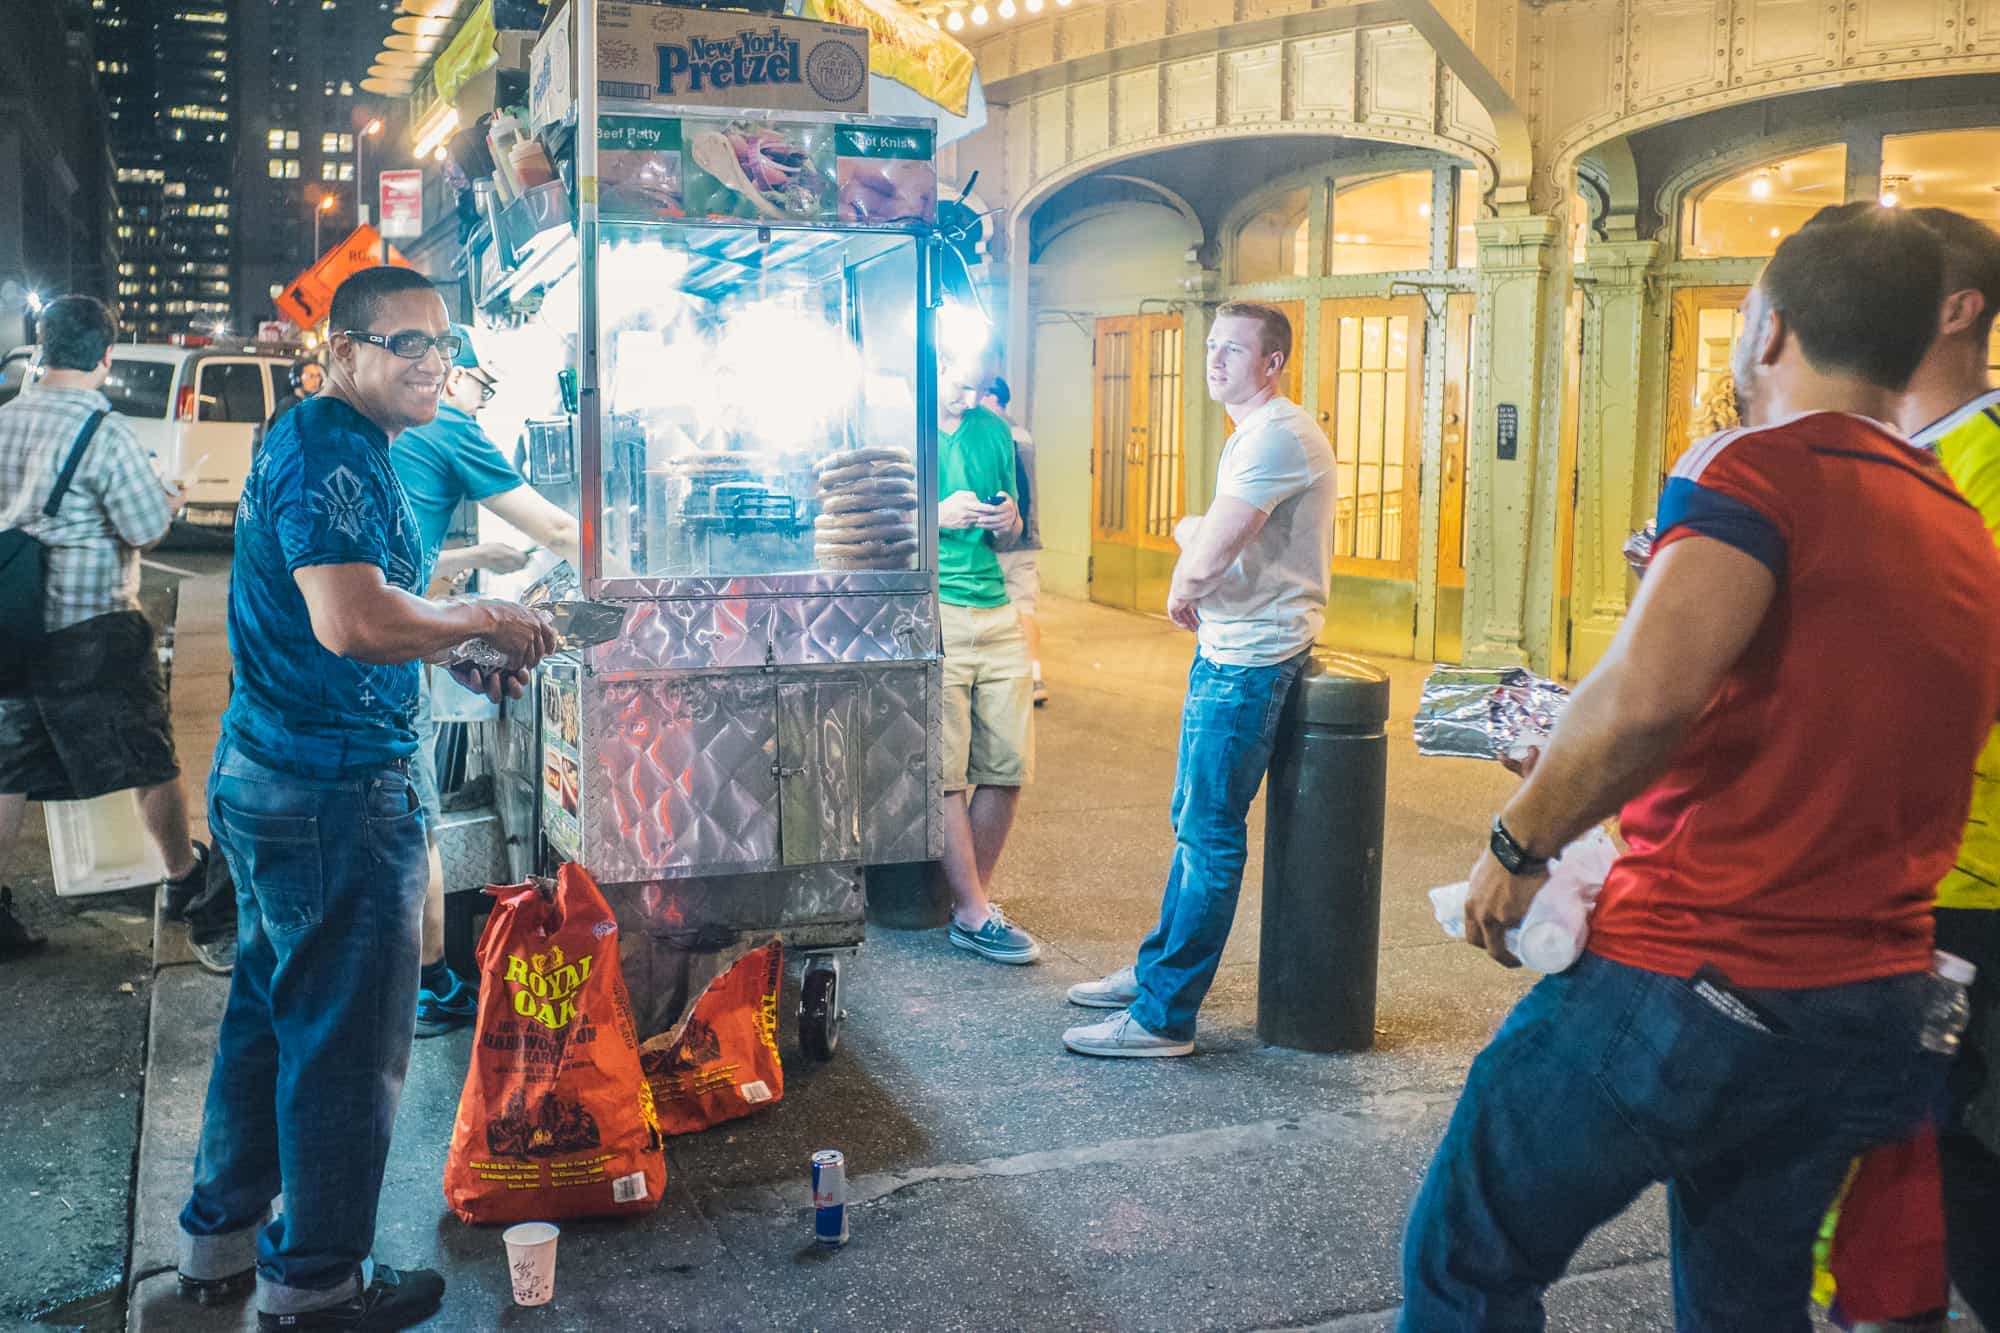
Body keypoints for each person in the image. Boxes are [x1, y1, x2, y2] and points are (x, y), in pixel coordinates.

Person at [1399, 208, 2000, 1330]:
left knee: (1467, 1254)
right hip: (1865, 1002)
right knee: (1744, 1304)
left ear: (1766, 328)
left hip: (1694, 977)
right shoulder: (1956, 515)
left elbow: (1645, 695)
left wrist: (1514, 842)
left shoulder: (1754, 463)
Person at [174, 267, 555, 1331]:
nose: (431, 364)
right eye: (406, 345)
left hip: (279, 774)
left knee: (268, 1019)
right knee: (345, 1048)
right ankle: (317, 1283)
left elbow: (351, 622)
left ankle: (220, 1242)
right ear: (342, 351)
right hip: (331, 792)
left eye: (443, 345)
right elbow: (351, 619)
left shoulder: (338, 442)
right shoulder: (332, 446)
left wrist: (452, 651)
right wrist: (475, 618)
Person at [1063, 302, 1335, 1058]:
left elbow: (1209, 553)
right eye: (1212, 346)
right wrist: (1196, 540)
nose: (1214, 360)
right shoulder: (1254, 434)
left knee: (1210, 834)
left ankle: (1163, 1016)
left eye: (1234, 349)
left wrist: (1186, 575)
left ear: (1272, 361)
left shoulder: (1277, 436)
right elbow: (1210, 535)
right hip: (1231, 648)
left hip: (1250, 659)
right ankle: (1156, 973)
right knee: (1193, 821)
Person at [0, 295, 226, 971]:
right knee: (146, 752)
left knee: (8, 764)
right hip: (91, 623)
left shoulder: (5, 418)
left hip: (12, 620)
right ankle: (184, 875)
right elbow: (142, 527)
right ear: (106, 356)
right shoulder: (104, 431)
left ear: (42, 348)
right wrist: (170, 498)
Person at [387, 324, 581, 1037]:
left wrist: (476, 558)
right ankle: (431, 985)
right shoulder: (450, 428)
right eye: (481, 383)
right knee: (419, 825)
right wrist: (624, 567)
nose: (479, 397)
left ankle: (406, 975)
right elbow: (559, 529)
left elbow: (403, 562)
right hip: (387, 662)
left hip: (376, 648)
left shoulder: (382, 435)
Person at [1880, 205, 2000, 1328]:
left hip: (1966, 883)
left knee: (1949, 1159)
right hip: (1901, 874)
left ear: (1955, 309)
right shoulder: (1894, 460)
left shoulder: (1984, 468)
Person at [936, 361, 1042, 965]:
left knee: (1007, 763)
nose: (966, 392)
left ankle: (965, 901)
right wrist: (935, 516)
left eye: (973, 381)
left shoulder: (992, 430)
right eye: (955, 377)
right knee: (947, 770)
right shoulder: (902, 426)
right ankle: (974, 911)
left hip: (996, 608)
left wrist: (1010, 522)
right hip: (936, 608)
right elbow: (863, 525)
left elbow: (1013, 534)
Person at [980, 377, 1047, 706]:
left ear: (992, 398)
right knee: (1024, 608)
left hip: (1002, 539)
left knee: (998, 610)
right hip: (1029, 539)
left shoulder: (992, 432)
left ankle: (999, 681)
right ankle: (1034, 677)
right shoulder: (1024, 434)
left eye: (981, 394)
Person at [265, 359, 323, 434]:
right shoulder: (288, 405)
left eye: (318, 376)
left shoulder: (312, 403)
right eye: (311, 376)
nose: (316, 381)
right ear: (297, 379)